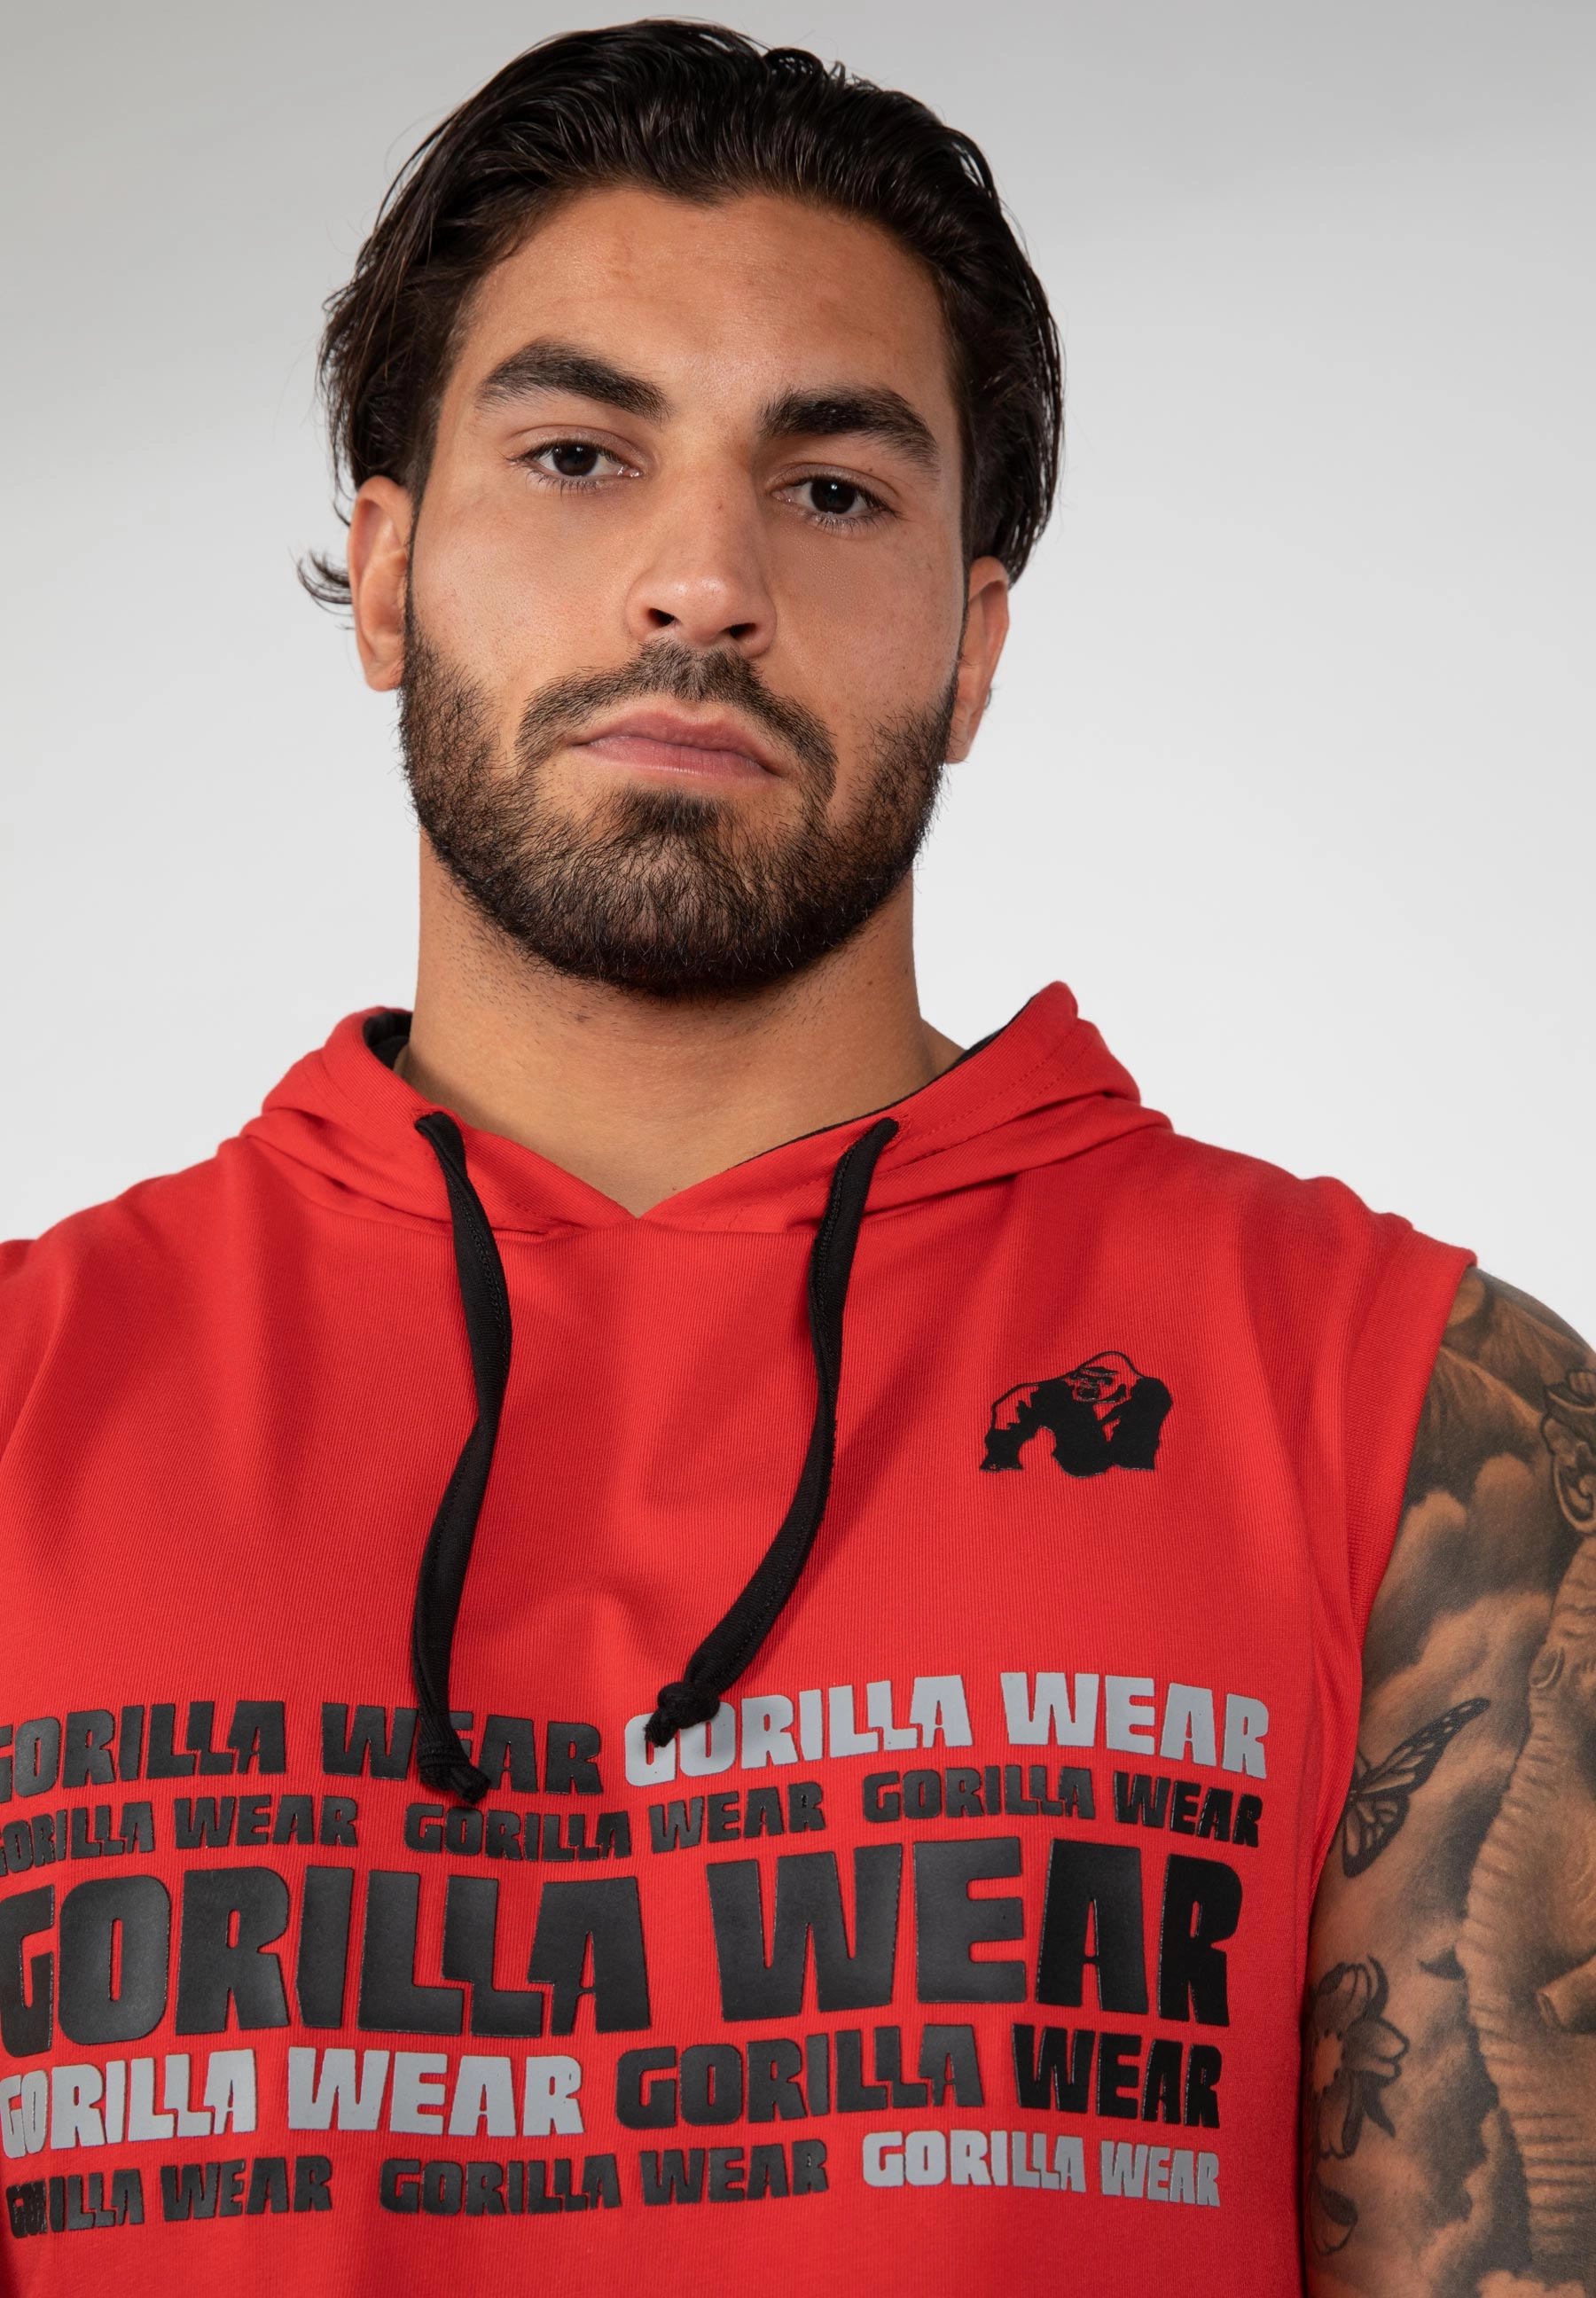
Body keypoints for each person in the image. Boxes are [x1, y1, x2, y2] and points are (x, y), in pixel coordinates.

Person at [0, 21, 1588, 2295]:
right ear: (387, 571)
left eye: (834, 490)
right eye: (577, 455)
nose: (700, 582)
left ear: (974, 646)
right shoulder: (26, 1407)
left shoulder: (1415, 1426)